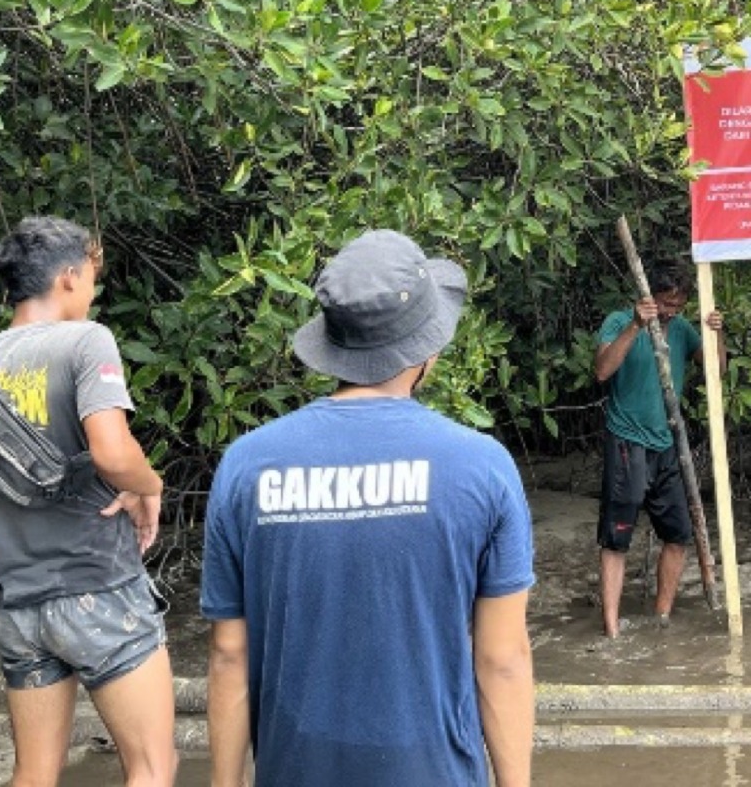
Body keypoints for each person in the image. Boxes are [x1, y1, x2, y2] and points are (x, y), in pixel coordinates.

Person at [201, 229, 534, 787]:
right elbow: (502, 660)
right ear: (427, 349)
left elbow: (230, 654)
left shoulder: (246, 465)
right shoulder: (483, 467)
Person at [0, 217, 174, 787]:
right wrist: (150, 486)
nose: (93, 293)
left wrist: (0, 556)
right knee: (152, 767)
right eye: (93, 279)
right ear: (69, 277)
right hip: (100, 591)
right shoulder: (86, 341)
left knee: (32, 775)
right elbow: (111, 453)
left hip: (21, 608)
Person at [593, 262, 724, 639]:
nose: (670, 312)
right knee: (616, 538)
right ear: (649, 296)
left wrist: (717, 333)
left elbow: (716, 370)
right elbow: (602, 371)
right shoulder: (619, 321)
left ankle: (661, 618)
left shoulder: (681, 329)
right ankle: (611, 629)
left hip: (667, 445)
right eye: (666, 304)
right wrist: (637, 325)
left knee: (679, 534)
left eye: (678, 306)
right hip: (626, 441)